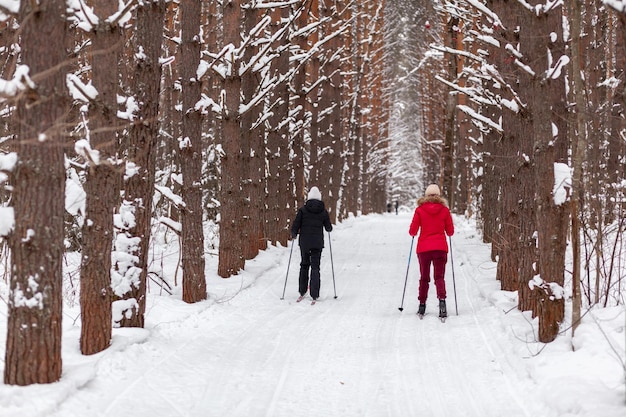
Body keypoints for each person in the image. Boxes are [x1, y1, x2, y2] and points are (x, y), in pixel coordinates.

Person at [408, 184, 454, 318]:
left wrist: (415, 231)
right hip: (440, 249)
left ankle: (422, 305)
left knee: (424, 277)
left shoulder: (419, 210)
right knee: (439, 277)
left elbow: (412, 231)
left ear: (426, 196)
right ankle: (442, 303)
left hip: (424, 250)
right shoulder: (444, 210)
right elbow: (450, 232)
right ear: (438, 195)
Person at [291, 186, 333, 302]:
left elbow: (296, 224)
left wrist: (294, 233)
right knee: (315, 267)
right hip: (317, 243)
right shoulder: (323, 211)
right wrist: (329, 229)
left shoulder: (302, 210)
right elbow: (328, 227)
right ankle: (314, 293)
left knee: (304, 265)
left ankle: (302, 290)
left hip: (304, 243)